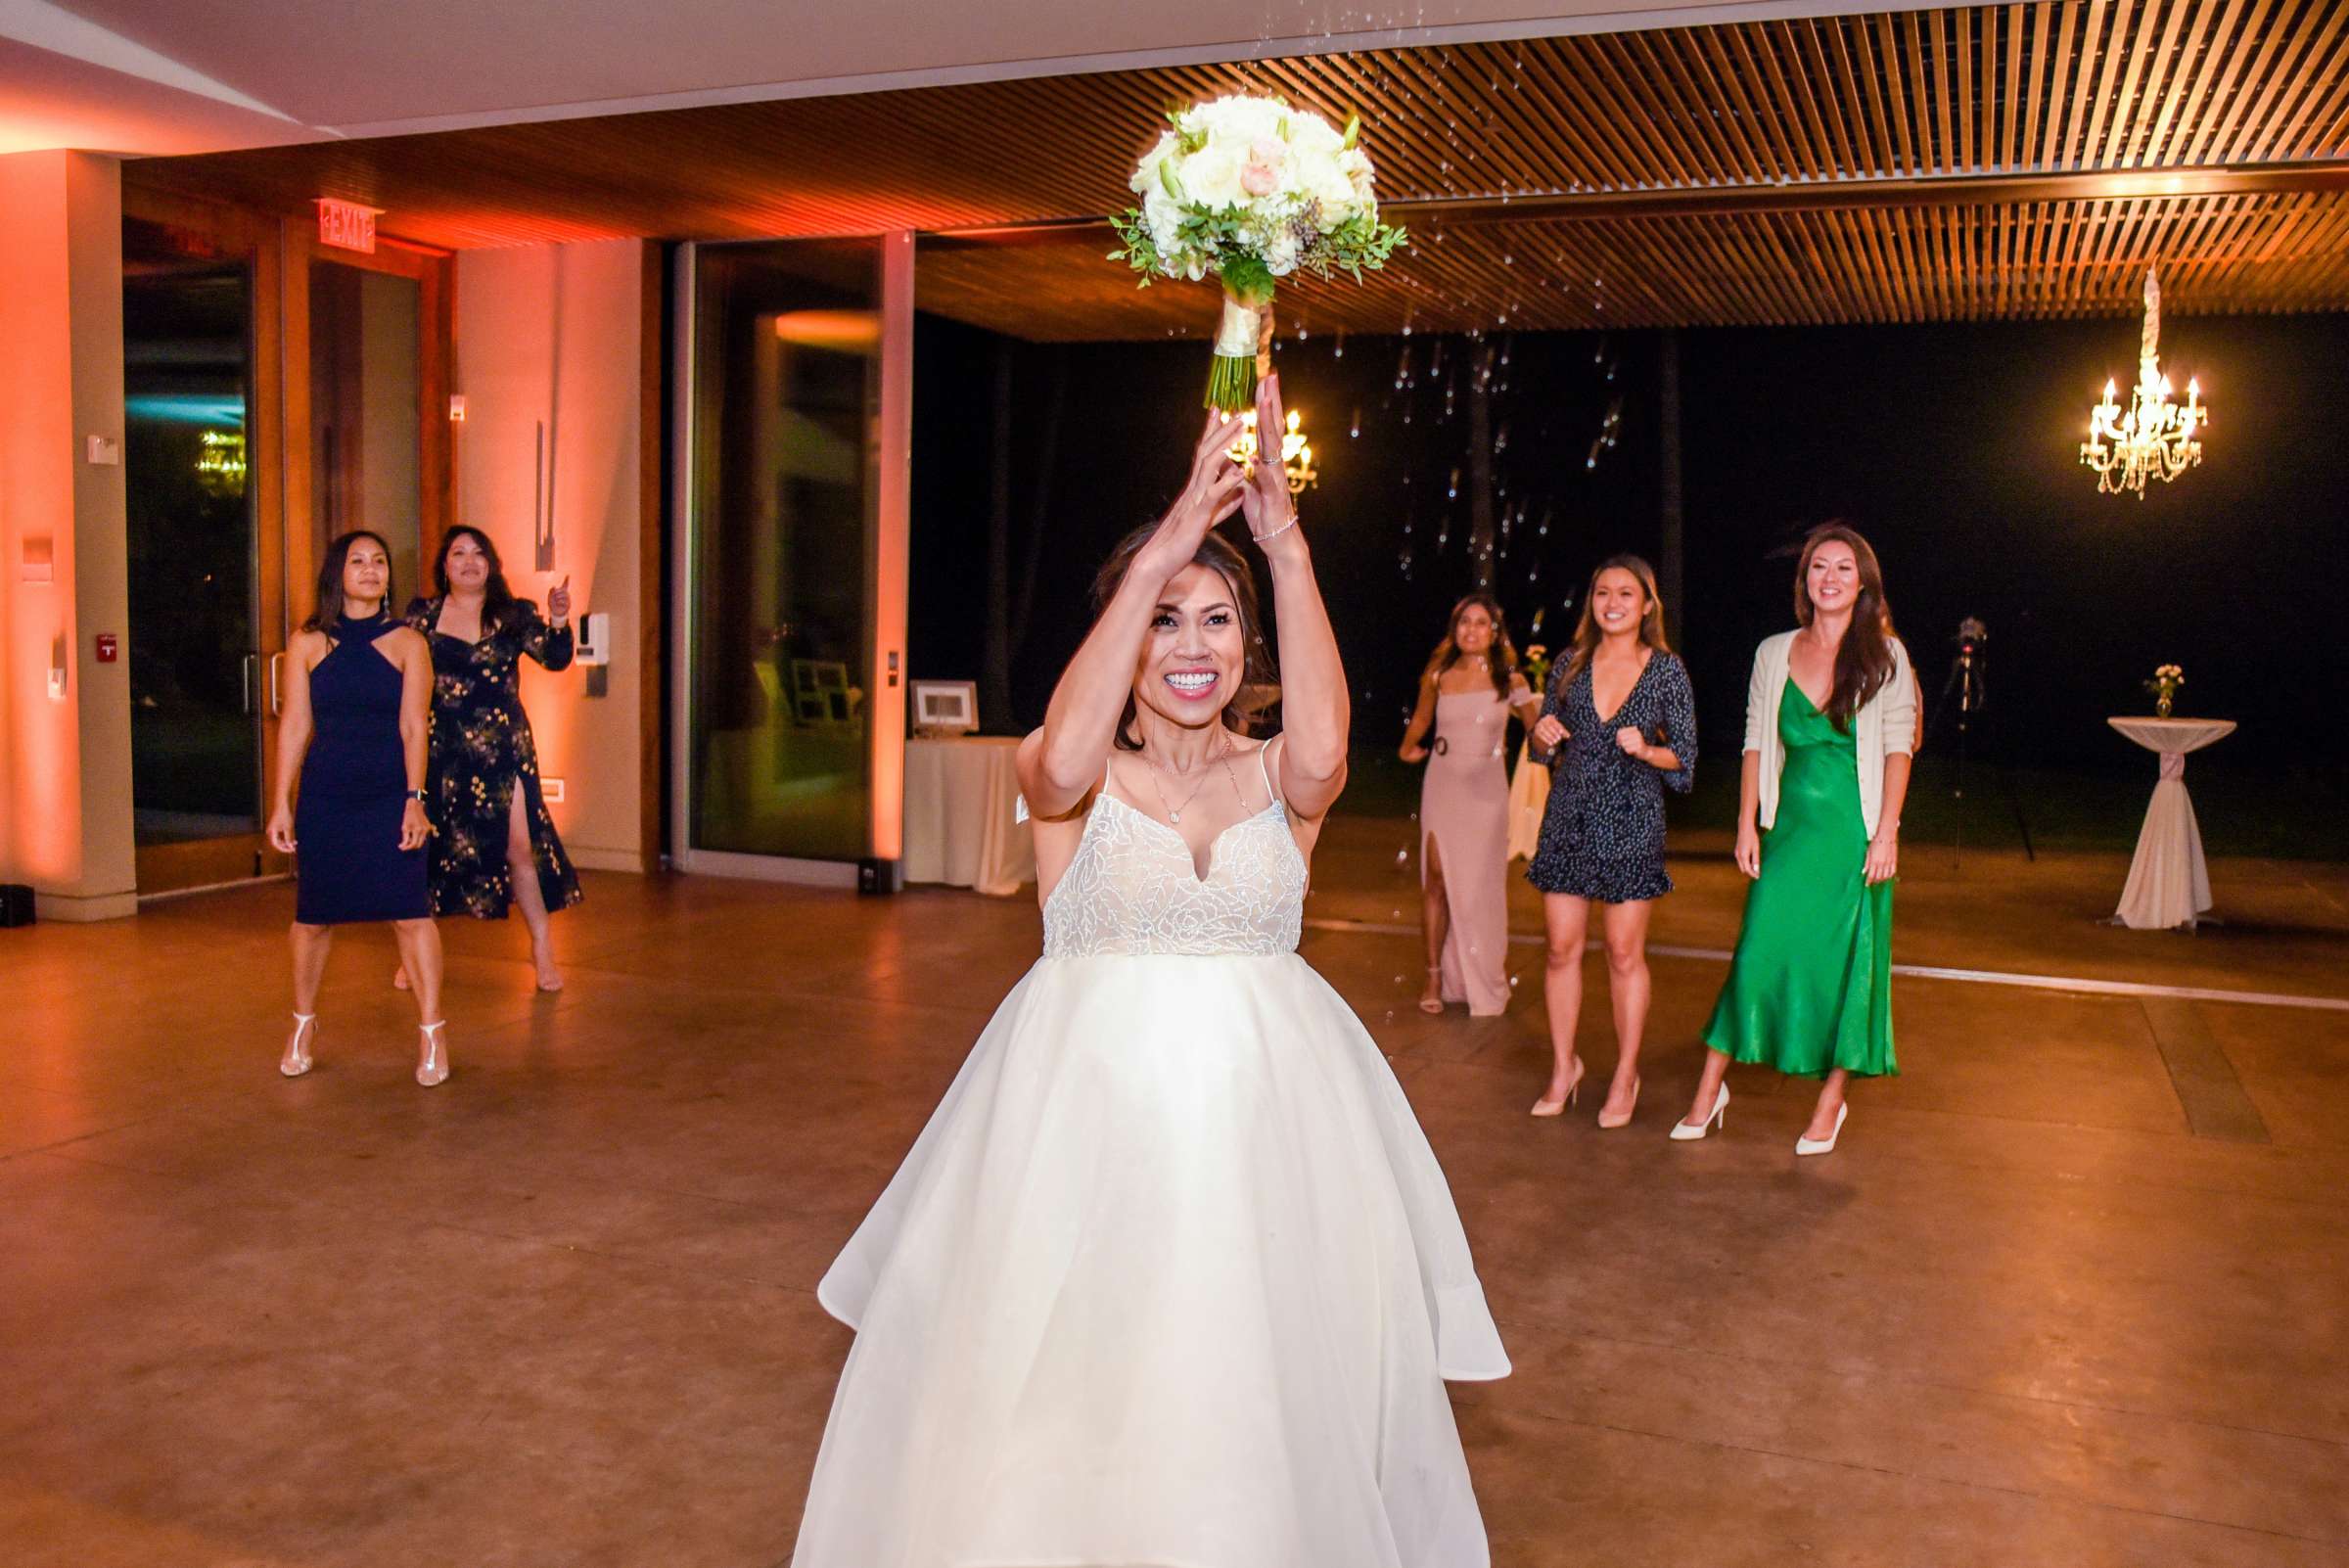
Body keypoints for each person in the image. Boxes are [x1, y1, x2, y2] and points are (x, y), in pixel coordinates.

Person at [791, 374, 1509, 1567]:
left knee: (1249, 1389)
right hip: (1082, 1141)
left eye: (1216, 620)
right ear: (1124, 636)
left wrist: (1276, 538)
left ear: (1249, 644)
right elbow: (1066, 751)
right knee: (1071, 1398)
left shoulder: (1283, 781)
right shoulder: (1062, 771)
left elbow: (1329, 745)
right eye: (1165, 619)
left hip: (1268, 1144)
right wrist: (1174, 538)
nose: (1192, 647)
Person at [1676, 524, 1916, 1156]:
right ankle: (1709, 1090)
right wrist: (1746, 822)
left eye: (1842, 568)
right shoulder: (1774, 650)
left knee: (1844, 967)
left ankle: (1830, 1101)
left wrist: (1886, 833)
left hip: (1854, 834)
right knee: (1756, 953)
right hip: (1790, 833)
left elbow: (1898, 747)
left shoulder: (1887, 656)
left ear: (1862, 582)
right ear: (1804, 581)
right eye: (1818, 567)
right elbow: (1756, 737)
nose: (1829, 578)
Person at [266, 530, 450, 1086]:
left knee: (410, 914)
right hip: (327, 793)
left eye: (379, 562)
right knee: (313, 918)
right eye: (358, 561)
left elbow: (414, 725)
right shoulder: (306, 641)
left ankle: (433, 1032)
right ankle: (302, 1023)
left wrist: (414, 800)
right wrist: (280, 802)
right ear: (337, 574)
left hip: (390, 794)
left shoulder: (409, 643)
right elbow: (296, 725)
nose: (371, 570)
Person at [1524, 556, 1695, 1126]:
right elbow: (1543, 744)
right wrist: (1541, 733)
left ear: (1647, 604)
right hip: (1568, 819)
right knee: (1560, 950)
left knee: (1624, 954)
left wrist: (1647, 749)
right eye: (1602, 592)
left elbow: (1686, 761)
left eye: (1627, 593)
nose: (1613, 602)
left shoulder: (1666, 670)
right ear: (1592, 603)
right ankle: (1563, 1066)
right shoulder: (1569, 665)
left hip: (1632, 820)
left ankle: (1625, 1074)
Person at [398, 526, 580, 992]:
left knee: (519, 846)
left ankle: (542, 947)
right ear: (444, 565)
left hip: (503, 748)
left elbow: (556, 658)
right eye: (458, 553)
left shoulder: (513, 615)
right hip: (442, 751)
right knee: (429, 852)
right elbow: (395, 670)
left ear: (491, 564)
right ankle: (412, 954)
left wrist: (559, 618)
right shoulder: (422, 617)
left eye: (479, 553)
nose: (468, 561)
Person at [1399, 594, 1540, 1016]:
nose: (1471, 630)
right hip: (1442, 781)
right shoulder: (1439, 675)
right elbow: (1422, 719)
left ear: (1494, 632)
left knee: (1478, 885)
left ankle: (1478, 974)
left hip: (1486, 791)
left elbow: (1537, 730)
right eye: (1464, 622)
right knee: (1436, 877)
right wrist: (1407, 749)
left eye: (1481, 623)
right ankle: (1434, 976)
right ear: (1454, 629)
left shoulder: (1508, 681)